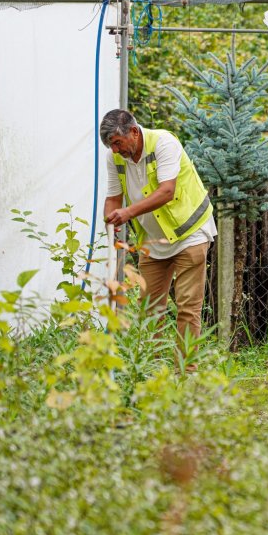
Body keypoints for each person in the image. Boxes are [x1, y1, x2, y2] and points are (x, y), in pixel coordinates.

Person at [100, 109, 215, 359]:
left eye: (118, 143)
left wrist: (127, 213)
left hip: (189, 234)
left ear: (133, 131)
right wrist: (111, 221)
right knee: (149, 309)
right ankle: (150, 372)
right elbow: (113, 198)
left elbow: (166, 192)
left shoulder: (164, 142)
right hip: (152, 241)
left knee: (187, 307)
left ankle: (186, 373)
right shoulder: (115, 157)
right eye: (111, 146)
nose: (116, 150)